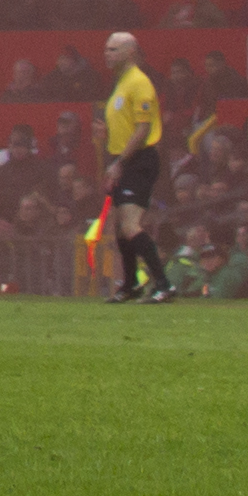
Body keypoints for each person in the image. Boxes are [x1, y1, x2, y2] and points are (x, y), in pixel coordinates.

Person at [97, 29, 169, 305]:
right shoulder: (122, 82)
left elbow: (143, 129)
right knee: (119, 228)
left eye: (113, 49)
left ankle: (164, 284)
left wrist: (119, 163)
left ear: (130, 52)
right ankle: (130, 284)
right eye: (106, 49)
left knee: (130, 225)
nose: (107, 54)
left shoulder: (139, 82)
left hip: (138, 160)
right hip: (124, 159)